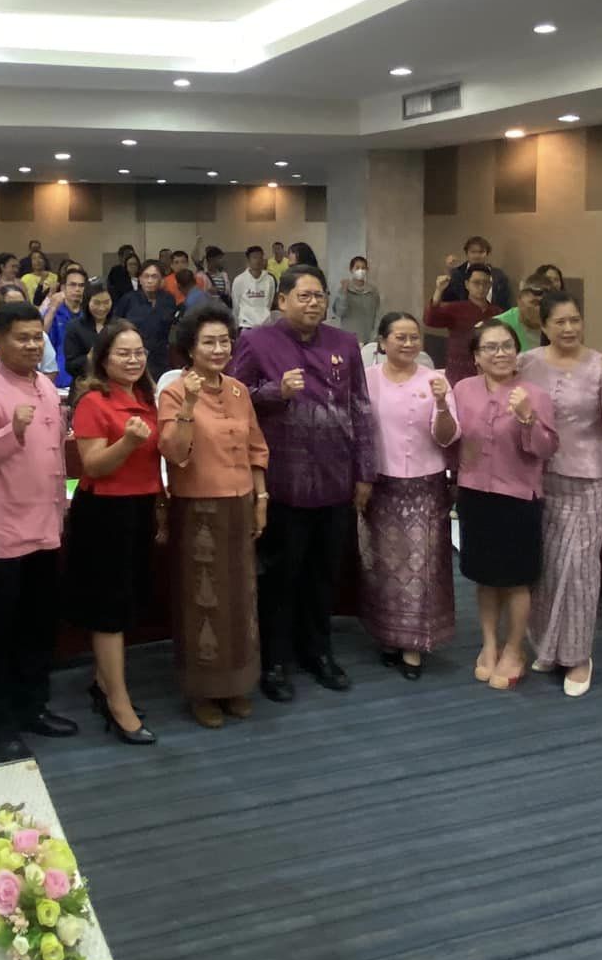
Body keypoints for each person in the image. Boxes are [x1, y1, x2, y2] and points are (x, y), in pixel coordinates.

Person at [229, 265, 375, 701]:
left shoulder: (344, 343)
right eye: (304, 296)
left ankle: (318, 652)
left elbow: (361, 408)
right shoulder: (257, 341)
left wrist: (365, 472)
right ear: (282, 300)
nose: (314, 303)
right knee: (282, 575)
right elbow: (233, 399)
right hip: (284, 483)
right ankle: (274, 661)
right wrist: (275, 392)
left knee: (323, 573)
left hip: (335, 479)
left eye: (319, 295)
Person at [0, 301, 76, 760]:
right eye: (21, 338)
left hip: (46, 525)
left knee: (38, 627)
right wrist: (11, 432)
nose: (31, 345)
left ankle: (33, 707)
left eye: (36, 337)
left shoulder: (45, 385)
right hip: (3, 531)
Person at [157, 305, 268, 727]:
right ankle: (202, 691)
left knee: (241, 597)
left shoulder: (238, 390)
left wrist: (261, 497)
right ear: (190, 348)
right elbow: (174, 451)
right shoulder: (174, 391)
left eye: (224, 341)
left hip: (240, 504)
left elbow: (256, 447)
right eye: (209, 342)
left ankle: (237, 683)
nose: (219, 349)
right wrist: (189, 402)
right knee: (202, 601)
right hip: (198, 510)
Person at [521, 290, 602, 697]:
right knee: (547, 566)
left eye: (575, 320)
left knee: (580, 567)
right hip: (539, 475)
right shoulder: (526, 362)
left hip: (587, 476)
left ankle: (579, 655)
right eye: (560, 322)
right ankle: (548, 645)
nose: (569, 328)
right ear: (544, 325)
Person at [68, 322, 165, 745]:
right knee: (109, 608)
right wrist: (126, 443)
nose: (133, 359)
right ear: (103, 358)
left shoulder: (146, 397)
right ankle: (118, 703)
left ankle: (102, 682)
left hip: (140, 508)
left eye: (139, 352)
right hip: (104, 512)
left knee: (127, 601)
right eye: (123, 353)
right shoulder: (93, 400)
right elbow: (92, 465)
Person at [453, 321, 559, 691]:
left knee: (515, 580)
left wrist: (528, 418)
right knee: (484, 577)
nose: (500, 353)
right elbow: (453, 437)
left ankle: (515, 649)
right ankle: (489, 644)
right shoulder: (463, 389)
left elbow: (546, 449)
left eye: (507, 346)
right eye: (490, 347)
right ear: (476, 357)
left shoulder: (535, 394)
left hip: (518, 496)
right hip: (474, 493)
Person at [360, 312, 459, 679]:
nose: (408, 343)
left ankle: (414, 645)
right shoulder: (367, 379)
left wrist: (443, 404)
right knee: (383, 563)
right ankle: (388, 636)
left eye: (414, 337)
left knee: (422, 565)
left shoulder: (435, 380)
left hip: (425, 485)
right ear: (382, 342)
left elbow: (446, 437)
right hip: (380, 484)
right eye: (399, 337)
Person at [424, 259, 497, 385]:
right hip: (459, 372)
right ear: (467, 284)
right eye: (476, 283)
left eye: (485, 283)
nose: (481, 287)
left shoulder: (497, 312)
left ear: (490, 285)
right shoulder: (455, 308)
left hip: (489, 371)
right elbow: (430, 320)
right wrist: (439, 290)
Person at [114, 260, 180, 376]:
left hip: (160, 357)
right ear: (140, 279)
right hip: (134, 355)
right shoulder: (129, 299)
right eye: (146, 276)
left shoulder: (168, 299)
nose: (150, 281)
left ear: (161, 280)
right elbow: (115, 325)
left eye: (154, 276)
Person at [42, 265, 89, 392]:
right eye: (72, 285)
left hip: (85, 378)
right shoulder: (53, 312)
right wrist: (52, 309)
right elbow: (42, 338)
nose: (77, 289)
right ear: (63, 288)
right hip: (59, 379)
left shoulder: (89, 313)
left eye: (81, 285)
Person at [64, 281, 116, 387]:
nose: (102, 308)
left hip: (113, 384)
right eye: (96, 303)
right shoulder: (74, 327)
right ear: (87, 302)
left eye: (106, 302)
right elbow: (70, 366)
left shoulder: (119, 325)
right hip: (84, 385)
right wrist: (90, 358)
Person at [440, 235, 511, 310]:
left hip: (493, 315)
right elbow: (447, 301)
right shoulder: (457, 274)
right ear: (467, 253)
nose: (477, 256)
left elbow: (504, 303)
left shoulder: (498, 275)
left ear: (487, 254)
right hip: (463, 315)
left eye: (481, 252)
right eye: (473, 252)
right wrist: (448, 273)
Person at [492, 275, 551, 353]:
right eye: (534, 303)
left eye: (544, 303)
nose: (539, 309)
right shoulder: (497, 325)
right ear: (519, 301)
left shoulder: (556, 325)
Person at [332, 257, 381, 345]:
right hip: (348, 337)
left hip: (368, 339)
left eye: (363, 268)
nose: (360, 271)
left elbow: (378, 314)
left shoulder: (373, 291)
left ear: (367, 270)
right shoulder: (344, 289)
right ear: (351, 270)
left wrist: (375, 336)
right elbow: (340, 312)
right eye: (357, 268)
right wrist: (344, 292)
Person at [231, 245, 277, 329]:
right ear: (248, 260)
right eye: (254, 257)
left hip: (265, 324)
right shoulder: (239, 280)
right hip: (246, 324)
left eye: (260, 257)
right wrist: (237, 324)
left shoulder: (270, 279)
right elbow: (236, 304)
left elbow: (269, 301)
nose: (258, 260)